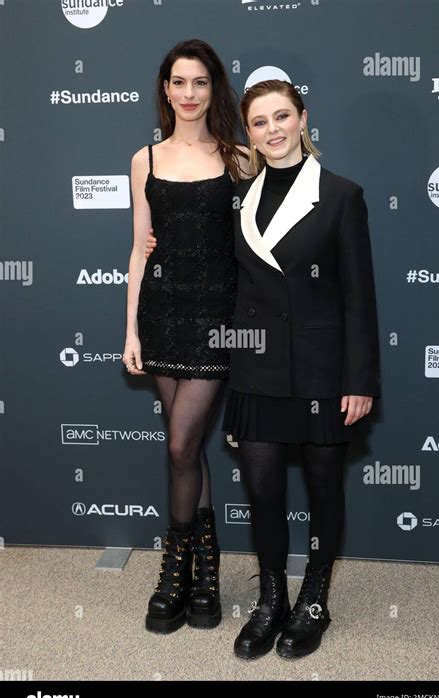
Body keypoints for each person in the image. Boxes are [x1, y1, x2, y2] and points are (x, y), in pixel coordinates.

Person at [145, 79, 381, 659]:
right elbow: (210, 259)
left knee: (325, 490)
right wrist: (157, 246)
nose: (272, 130)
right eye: (259, 122)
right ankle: (271, 597)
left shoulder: (342, 195)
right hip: (256, 371)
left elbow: (359, 298)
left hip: (324, 373)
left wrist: (360, 380)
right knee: (263, 491)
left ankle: (315, 599)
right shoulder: (240, 197)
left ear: (303, 119)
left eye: (282, 117)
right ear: (247, 133)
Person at [122, 38, 249, 635]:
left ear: (213, 88)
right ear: (165, 88)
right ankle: (199, 574)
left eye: (200, 82)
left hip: (217, 319)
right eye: (180, 82)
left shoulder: (238, 158)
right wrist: (130, 331)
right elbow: (138, 250)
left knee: (179, 447)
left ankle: (177, 565)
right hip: (161, 313)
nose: (190, 93)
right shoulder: (144, 159)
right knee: (189, 450)